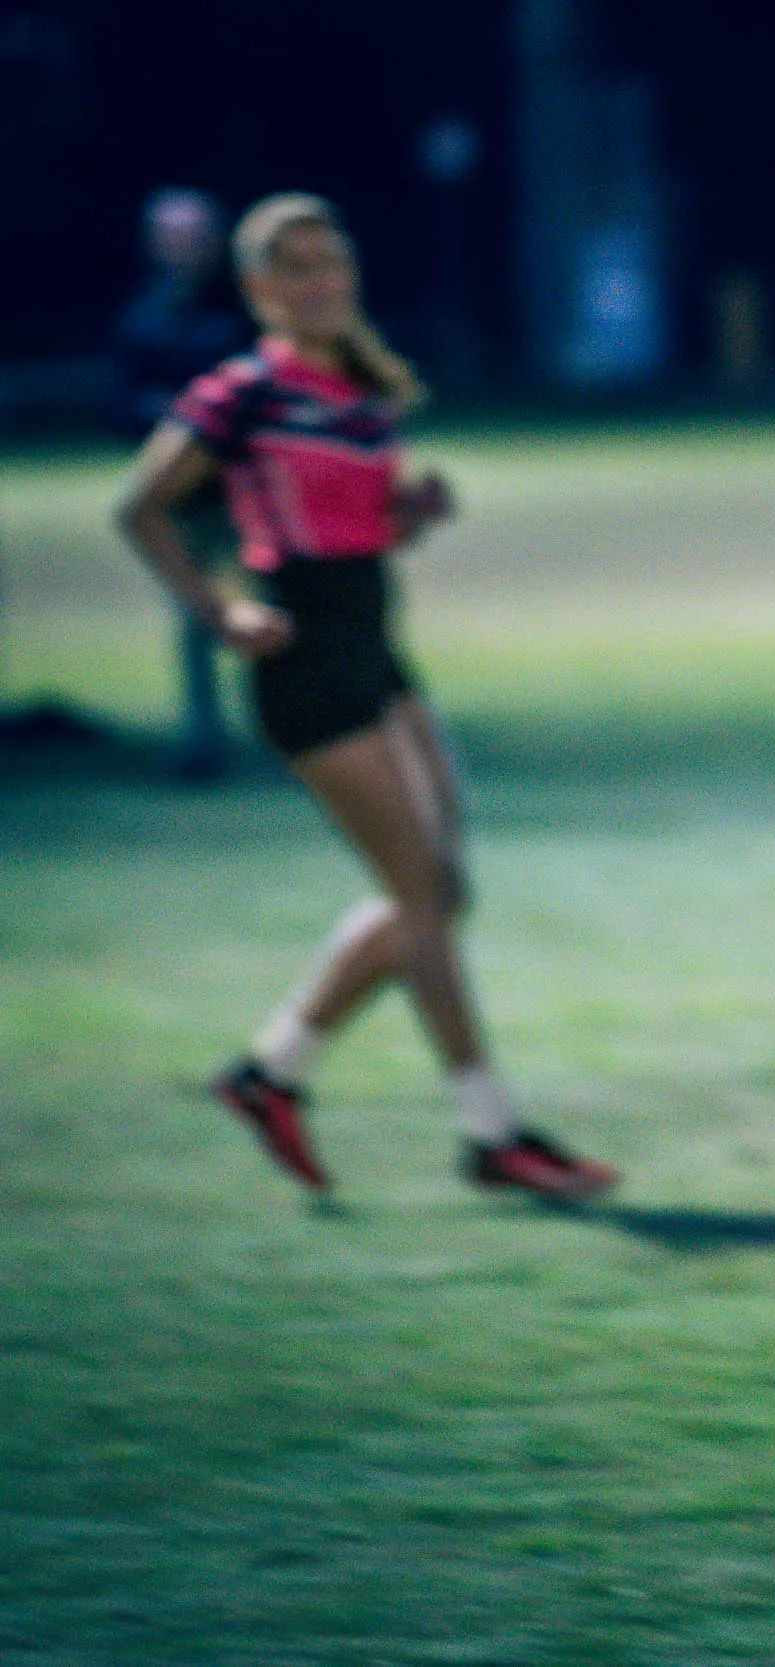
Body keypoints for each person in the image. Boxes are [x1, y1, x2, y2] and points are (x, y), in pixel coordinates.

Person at [113, 192, 616, 1203]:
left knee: (438, 891)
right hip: (302, 661)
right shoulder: (241, 391)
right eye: (294, 266)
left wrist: (409, 512)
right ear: (258, 289)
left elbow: (360, 525)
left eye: (331, 261)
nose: (319, 282)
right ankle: (492, 1131)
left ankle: (272, 1070)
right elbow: (141, 509)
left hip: (377, 651)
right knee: (423, 898)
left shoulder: (359, 390)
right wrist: (222, 611)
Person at [113, 188, 251, 780]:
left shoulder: (244, 308)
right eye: (172, 237)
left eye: (195, 237)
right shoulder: (141, 317)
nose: (184, 249)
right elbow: (121, 405)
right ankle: (203, 738)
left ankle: (292, 731)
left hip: (247, 489)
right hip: (180, 497)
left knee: (272, 607)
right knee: (195, 613)